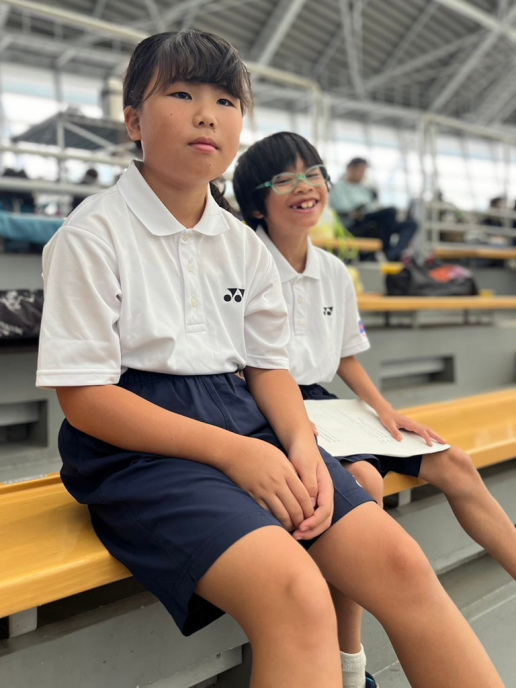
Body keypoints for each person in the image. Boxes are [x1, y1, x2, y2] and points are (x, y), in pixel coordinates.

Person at [36, 31, 505, 688]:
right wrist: (236, 454)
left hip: (247, 416)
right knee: (296, 594)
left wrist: (301, 445)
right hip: (139, 444)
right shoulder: (92, 235)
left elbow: (267, 369)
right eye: (182, 94)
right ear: (134, 121)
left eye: (226, 101)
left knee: (402, 566)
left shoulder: (242, 246)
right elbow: (86, 398)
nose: (207, 115)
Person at [233, 131, 514, 686]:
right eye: (285, 179)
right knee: (362, 480)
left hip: (329, 405)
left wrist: (384, 410)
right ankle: (350, 663)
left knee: (454, 462)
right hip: (269, 408)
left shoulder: (334, 270)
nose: (305, 187)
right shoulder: (242, 264)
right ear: (257, 203)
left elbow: (346, 358)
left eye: (313, 174)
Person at [329, 157, 418, 261]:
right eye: (361, 171)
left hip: (376, 223)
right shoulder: (338, 188)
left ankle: (391, 254)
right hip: (355, 225)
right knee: (390, 212)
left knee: (411, 224)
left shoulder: (365, 189)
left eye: (364, 172)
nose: (363, 175)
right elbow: (346, 212)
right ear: (351, 169)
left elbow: (374, 206)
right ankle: (385, 250)